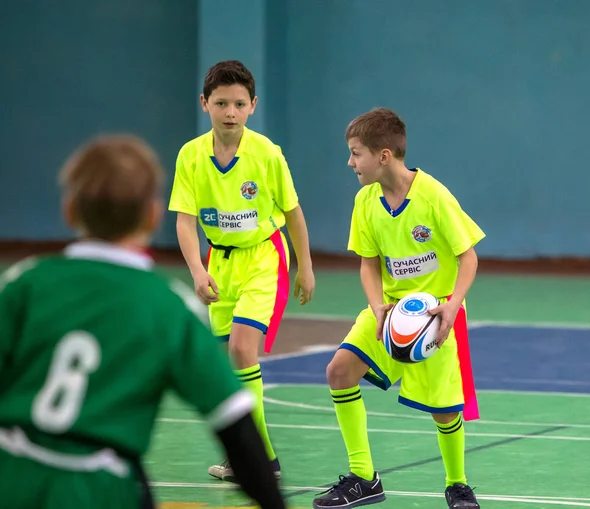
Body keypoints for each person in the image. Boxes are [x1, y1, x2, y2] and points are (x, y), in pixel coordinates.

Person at [0, 135, 286, 509]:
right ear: (152, 216)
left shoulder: (25, 283)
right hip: (104, 487)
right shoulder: (168, 306)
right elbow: (237, 430)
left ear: (70, 211)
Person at [313, 108, 484, 509]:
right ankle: (363, 478)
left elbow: (469, 257)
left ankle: (457, 484)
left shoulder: (434, 196)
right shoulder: (366, 201)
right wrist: (377, 308)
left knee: (444, 410)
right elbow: (369, 264)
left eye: (356, 154)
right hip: (389, 313)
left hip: (434, 317)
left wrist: (452, 307)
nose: (350, 162)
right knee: (339, 370)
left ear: (384, 155)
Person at [168, 60, 315, 481]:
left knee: (240, 350)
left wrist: (305, 265)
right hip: (220, 263)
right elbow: (184, 220)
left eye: (238, 103)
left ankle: (260, 461)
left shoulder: (267, 154)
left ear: (252, 106)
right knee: (230, 364)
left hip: (264, 258)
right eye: (220, 103)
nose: (229, 112)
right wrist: (197, 270)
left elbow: (293, 213)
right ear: (204, 104)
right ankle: (247, 458)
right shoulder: (191, 156)